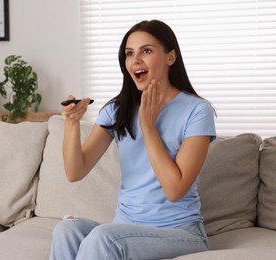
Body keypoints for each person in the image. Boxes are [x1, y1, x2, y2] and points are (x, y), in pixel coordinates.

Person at [50, 19, 216, 260]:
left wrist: (148, 127)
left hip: (179, 232)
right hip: (125, 228)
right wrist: (72, 123)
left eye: (146, 51)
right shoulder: (118, 110)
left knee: (104, 238)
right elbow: (75, 172)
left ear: (171, 57)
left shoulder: (197, 110)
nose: (135, 60)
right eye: (130, 53)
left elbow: (175, 190)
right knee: (66, 230)